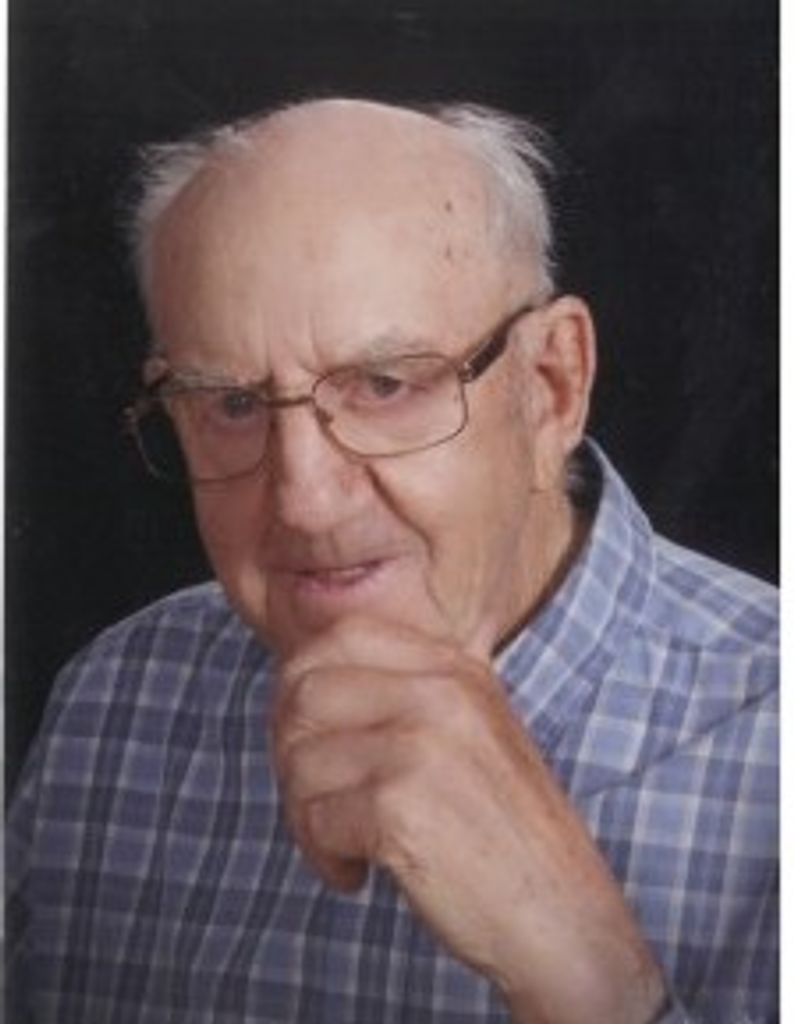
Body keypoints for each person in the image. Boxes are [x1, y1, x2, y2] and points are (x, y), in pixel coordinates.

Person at [6, 98, 777, 1024]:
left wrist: (595, 985)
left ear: (552, 388)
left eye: (385, 385)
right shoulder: (114, 705)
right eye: (232, 406)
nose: (305, 501)